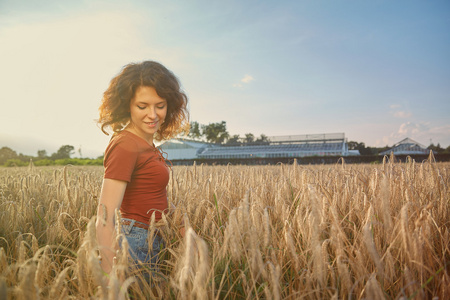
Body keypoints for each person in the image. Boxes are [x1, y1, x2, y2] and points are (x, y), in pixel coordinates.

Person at [95, 60, 189, 282]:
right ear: (127, 105)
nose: (153, 114)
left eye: (160, 105)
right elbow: (105, 216)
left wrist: (180, 222)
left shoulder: (144, 144)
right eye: (142, 106)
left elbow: (152, 193)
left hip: (152, 238)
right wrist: (109, 277)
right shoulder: (125, 144)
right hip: (136, 242)